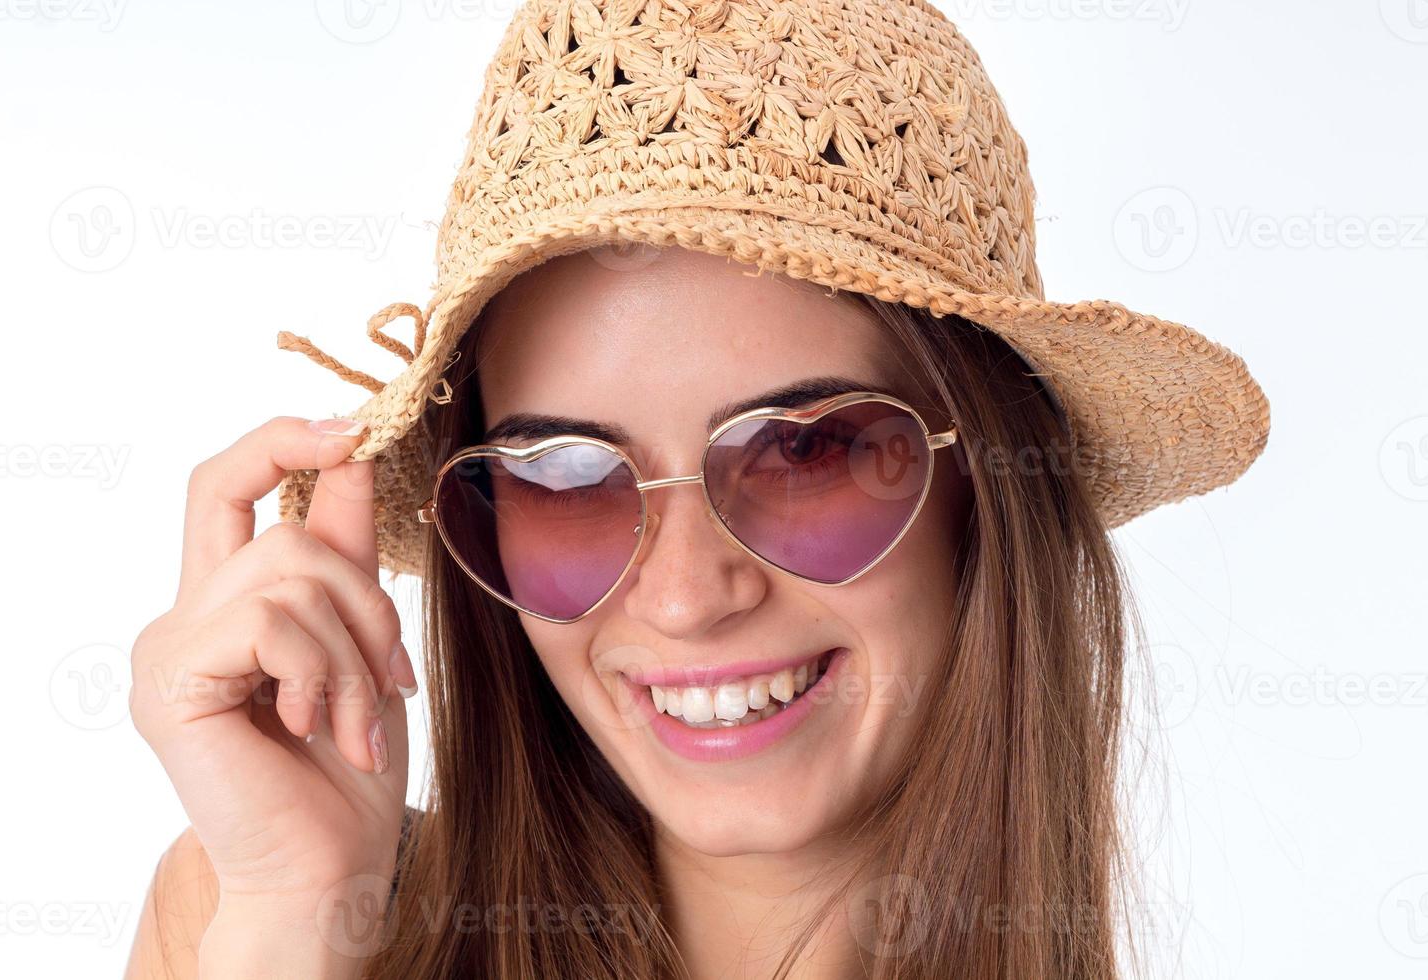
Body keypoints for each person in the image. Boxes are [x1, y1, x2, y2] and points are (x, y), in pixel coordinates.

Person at [123, 0, 1269, 977]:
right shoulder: (250, 919)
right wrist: (294, 911)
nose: (682, 596)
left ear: (987, 489)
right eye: (563, 478)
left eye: (804, 452)